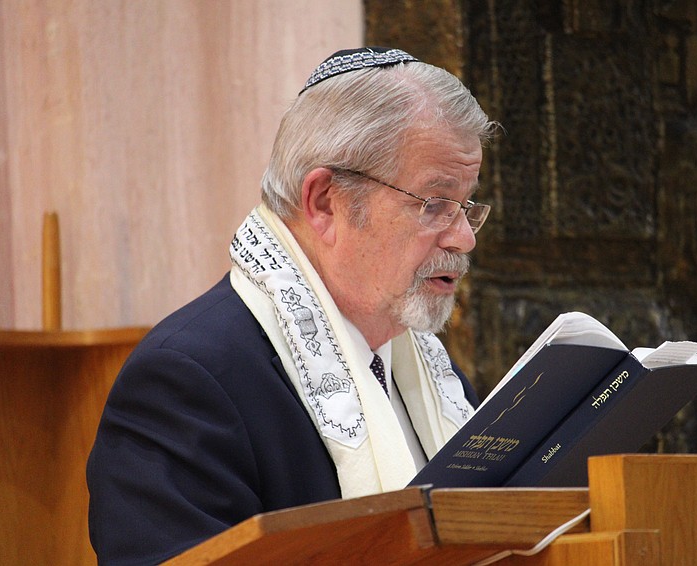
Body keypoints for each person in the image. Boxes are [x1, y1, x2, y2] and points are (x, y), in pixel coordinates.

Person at [86, 47, 497, 565]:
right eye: (434, 203)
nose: (463, 238)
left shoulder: (436, 381)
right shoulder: (185, 381)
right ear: (325, 200)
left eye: (467, 206)